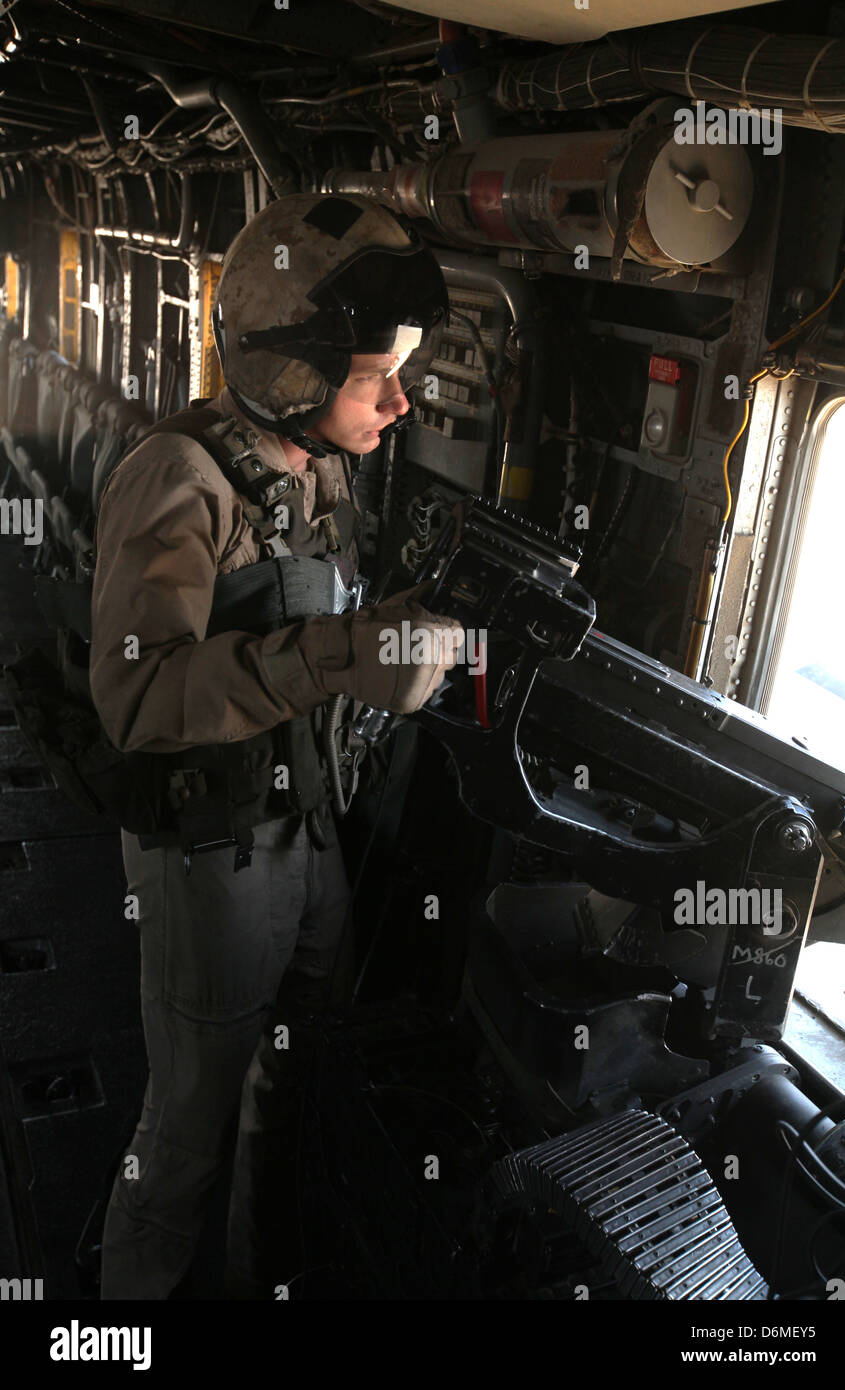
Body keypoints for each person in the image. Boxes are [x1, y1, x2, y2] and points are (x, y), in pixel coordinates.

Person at [89, 192, 463, 1299]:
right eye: (372, 378)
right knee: (186, 1132)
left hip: (306, 838)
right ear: (295, 376)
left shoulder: (316, 464)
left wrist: (397, 625)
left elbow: (307, 617)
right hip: (213, 857)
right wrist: (341, 655)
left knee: (291, 1094)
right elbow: (136, 694)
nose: (398, 401)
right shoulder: (179, 478)